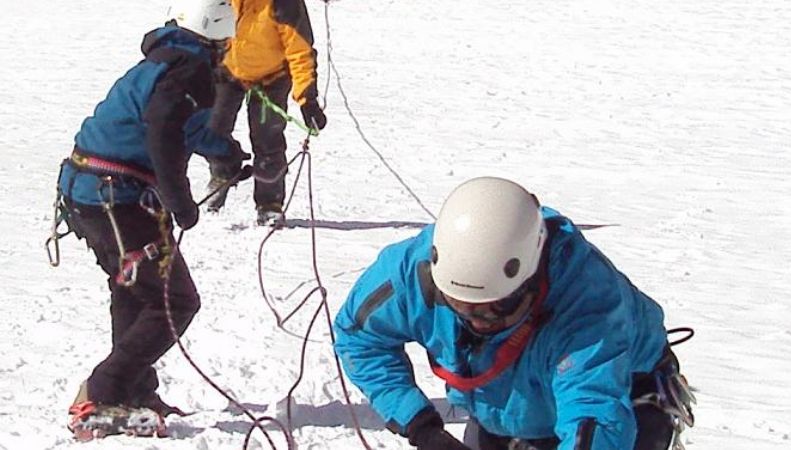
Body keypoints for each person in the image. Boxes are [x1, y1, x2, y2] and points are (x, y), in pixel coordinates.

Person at [333, 177, 695, 450]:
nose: (478, 321)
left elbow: (594, 416)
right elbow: (359, 338)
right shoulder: (412, 275)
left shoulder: (587, 304)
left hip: (623, 399)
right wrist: (421, 425)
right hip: (503, 404)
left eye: (496, 309)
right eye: (461, 306)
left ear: (530, 280)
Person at [55, 0, 245, 439]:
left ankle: (134, 389)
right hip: (112, 199)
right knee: (174, 301)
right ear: (218, 35)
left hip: (93, 194)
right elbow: (162, 131)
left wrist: (226, 154)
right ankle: (102, 394)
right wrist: (181, 203)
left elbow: (183, 126)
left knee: (138, 293)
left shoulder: (170, 57)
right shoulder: (188, 69)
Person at [204, 0, 327, 227]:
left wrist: (307, 99)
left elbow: (300, 51)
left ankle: (269, 204)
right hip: (227, 70)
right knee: (213, 130)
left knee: (267, 139)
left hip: (272, 77)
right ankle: (222, 173)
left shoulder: (284, 4)